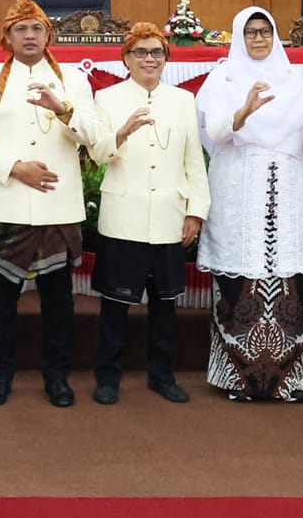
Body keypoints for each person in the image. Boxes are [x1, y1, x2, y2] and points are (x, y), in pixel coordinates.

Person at [0, 0, 104, 408]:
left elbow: (93, 136)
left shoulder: (74, 78)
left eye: (36, 28)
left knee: (58, 298)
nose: (29, 36)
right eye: (20, 29)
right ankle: (0, 376)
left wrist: (62, 109)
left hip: (57, 207)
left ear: (48, 35)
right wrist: (14, 167)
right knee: (1, 298)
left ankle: (57, 377)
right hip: (5, 202)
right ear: (6, 37)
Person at [195, 6, 303, 402]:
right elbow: (213, 131)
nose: (259, 38)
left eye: (266, 30)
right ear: (238, 37)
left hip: (284, 187)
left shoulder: (291, 79)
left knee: (286, 279)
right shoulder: (223, 78)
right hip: (236, 184)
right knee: (238, 279)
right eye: (250, 32)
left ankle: (287, 381)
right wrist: (243, 112)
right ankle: (238, 380)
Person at [89, 21, 208, 405]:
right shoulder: (107, 98)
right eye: (140, 52)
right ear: (126, 58)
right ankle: (108, 377)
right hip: (124, 216)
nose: (149, 59)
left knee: (165, 304)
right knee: (115, 305)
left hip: (170, 218)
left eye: (157, 52)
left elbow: (194, 160)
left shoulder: (183, 100)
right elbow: (97, 155)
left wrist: (196, 211)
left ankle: (162, 374)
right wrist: (122, 132)